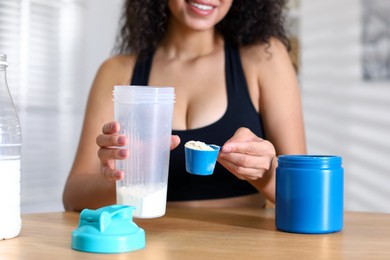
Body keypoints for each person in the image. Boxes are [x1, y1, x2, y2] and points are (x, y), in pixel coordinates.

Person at [62, 0, 306, 211]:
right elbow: (72, 197)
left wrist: (266, 174)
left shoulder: (265, 57)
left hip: (240, 246)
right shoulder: (117, 72)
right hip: (148, 245)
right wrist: (121, 177)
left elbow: (305, 194)